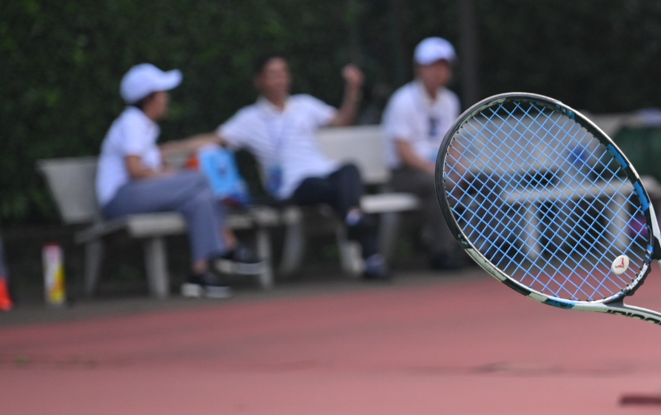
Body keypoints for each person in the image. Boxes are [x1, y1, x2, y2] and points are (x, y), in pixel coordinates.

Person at [96, 64, 266, 299]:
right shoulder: (132, 121)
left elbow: (149, 169)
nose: (166, 99)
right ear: (149, 99)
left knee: (199, 199)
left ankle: (199, 273)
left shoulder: (146, 127)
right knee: (199, 179)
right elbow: (134, 170)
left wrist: (166, 171)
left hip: (137, 194)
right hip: (120, 199)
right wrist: (170, 175)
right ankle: (228, 246)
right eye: (162, 94)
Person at [218, 55, 390, 280]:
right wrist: (175, 147)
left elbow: (341, 121)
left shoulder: (305, 104)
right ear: (259, 80)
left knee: (349, 169)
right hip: (294, 187)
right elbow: (216, 139)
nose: (280, 79)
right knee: (325, 187)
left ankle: (354, 218)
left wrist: (353, 90)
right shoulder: (249, 118)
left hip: (325, 174)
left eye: (283, 73)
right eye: (273, 75)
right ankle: (369, 251)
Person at [382, 37, 465, 270]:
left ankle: (482, 249)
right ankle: (441, 253)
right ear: (419, 68)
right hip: (405, 172)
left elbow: (452, 142)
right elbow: (403, 150)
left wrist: (460, 169)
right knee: (438, 185)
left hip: (438, 168)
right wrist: (438, 171)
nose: (439, 72)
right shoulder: (402, 100)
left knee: (485, 183)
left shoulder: (450, 100)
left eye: (444, 66)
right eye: (433, 65)